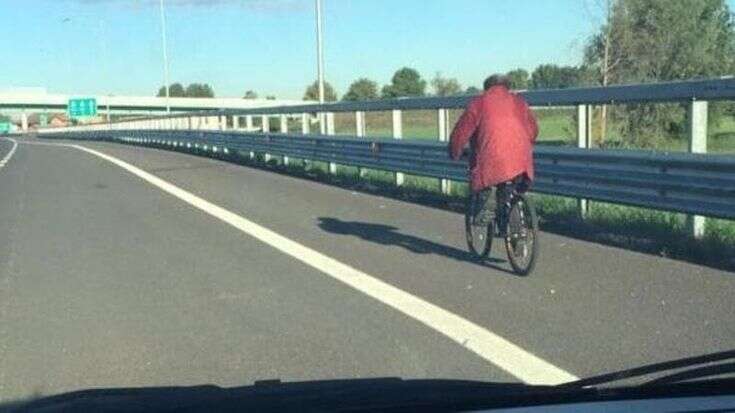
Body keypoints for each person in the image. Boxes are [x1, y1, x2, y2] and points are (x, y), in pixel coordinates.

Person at [449, 74, 538, 234]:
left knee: (485, 176)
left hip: (492, 158)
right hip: (521, 159)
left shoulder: (479, 103)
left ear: (487, 88)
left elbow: (461, 132)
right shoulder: (519, 102)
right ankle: (516, 223)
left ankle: (487, 198)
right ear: (507, 87)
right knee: (512, 186)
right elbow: (533, 131)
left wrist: (454, 152)